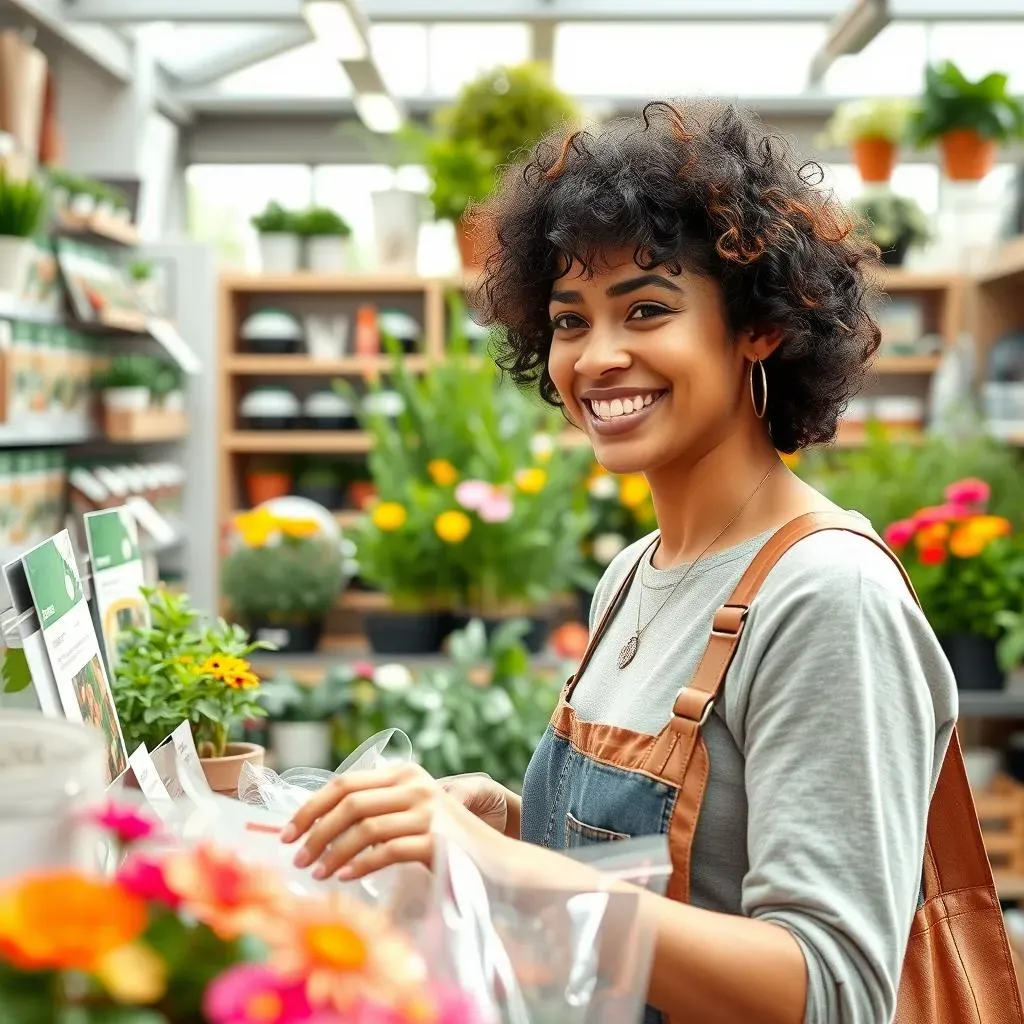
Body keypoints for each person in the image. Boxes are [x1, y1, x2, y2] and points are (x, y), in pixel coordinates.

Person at [281, 101, 958, 1024]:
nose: (598, 358)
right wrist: (514, 826)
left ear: (759, 325)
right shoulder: (635, 573)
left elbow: (830, 988)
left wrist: (506, 869)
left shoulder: (825, 595)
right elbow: (692, 878)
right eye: (569, 321)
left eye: (647, 309)